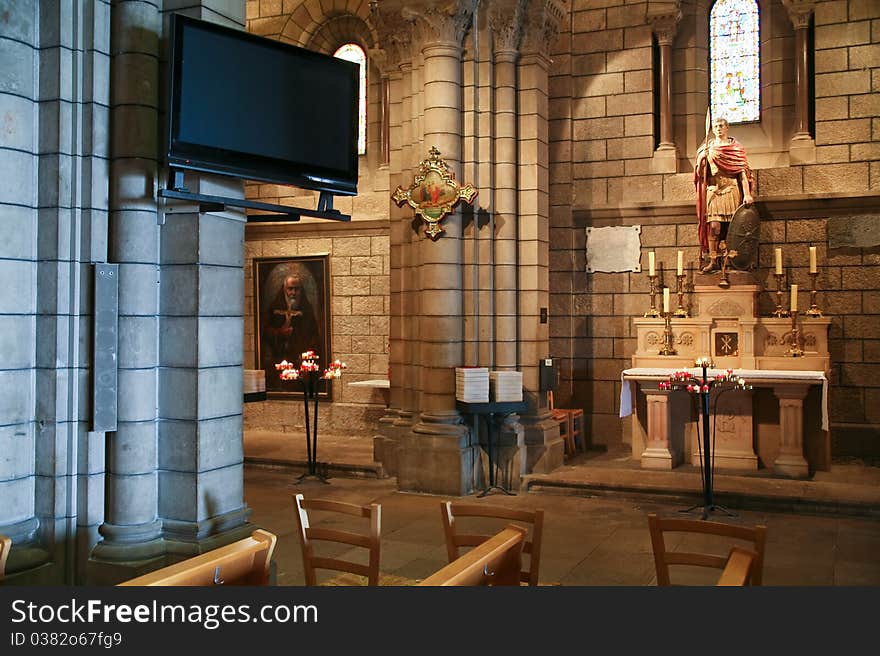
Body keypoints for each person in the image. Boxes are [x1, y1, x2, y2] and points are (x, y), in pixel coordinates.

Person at [694, 116, 755, 273]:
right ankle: (713, 260)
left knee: (731, 227)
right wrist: (702, 158)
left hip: (731, 189)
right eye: (715, 126)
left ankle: (730, 260)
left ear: (727, 127)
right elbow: (701, 175)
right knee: (714, 227)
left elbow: (742, 174)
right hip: (714, 190)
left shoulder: (736, 149)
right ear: (712, 129)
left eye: (721, 125)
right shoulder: (706, 148)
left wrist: (747, 194)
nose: (718, 128)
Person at [261, 272, 322, 388]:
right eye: (290, 289)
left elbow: (314, 336)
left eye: (297, 289)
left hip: (300, 359)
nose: (293, 293)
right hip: (279, 358)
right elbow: (265, 331)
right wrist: (280, 333)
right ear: (284, 289)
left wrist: (305, 356)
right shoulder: (275, 307)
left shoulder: (306, 309)